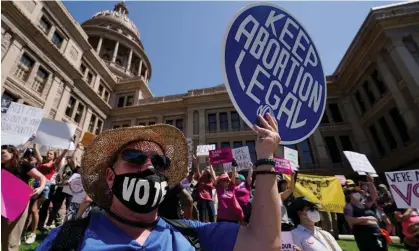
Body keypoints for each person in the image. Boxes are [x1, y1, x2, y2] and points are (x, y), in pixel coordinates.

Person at [37, 113, 282, 250]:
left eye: (160, 162)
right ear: (110, 177)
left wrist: (265, 157)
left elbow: (264, 242)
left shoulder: (191, 235)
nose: (149, 167)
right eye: (134, 157)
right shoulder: (65, 241)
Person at [1, 145, 46, 251]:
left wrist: (40, 188)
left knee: (12, 235)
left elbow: (41, 177)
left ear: (12, 154)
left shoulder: (23, 165)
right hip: (4, 202)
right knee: (4, 233)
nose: (0, 156)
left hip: (19, 202)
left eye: (3, 153)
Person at [343, 175, 388, 251]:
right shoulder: (349, 206)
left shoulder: (365, 204)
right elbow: (349, 219)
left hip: (376, 231)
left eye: (358, 192)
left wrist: (370, 183)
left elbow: (374, 195)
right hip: (364, 233)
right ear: (349, 195)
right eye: (355, 192)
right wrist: (366, 218)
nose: (358, 194)